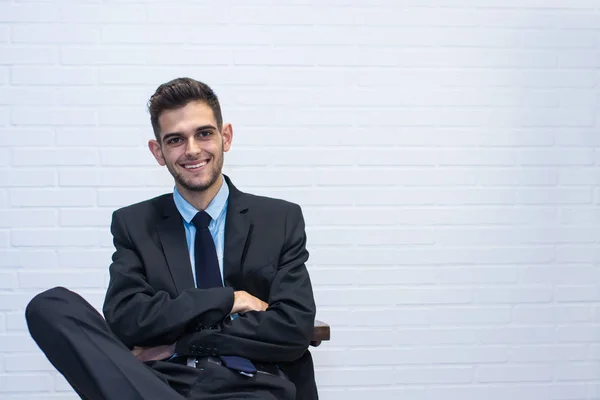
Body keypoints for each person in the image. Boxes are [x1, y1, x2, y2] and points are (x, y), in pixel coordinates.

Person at [25, 77, 319, 400]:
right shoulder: (135, 225)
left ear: (226, 137)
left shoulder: (279, 220)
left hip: (250, 385)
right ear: (158, 151)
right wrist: (230, 300)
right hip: (162, 386)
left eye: (204, 134)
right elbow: (126, 319)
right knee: (50, 306)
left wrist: (179, 343)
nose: (192, 150)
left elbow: (293, 328)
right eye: (176, 139)